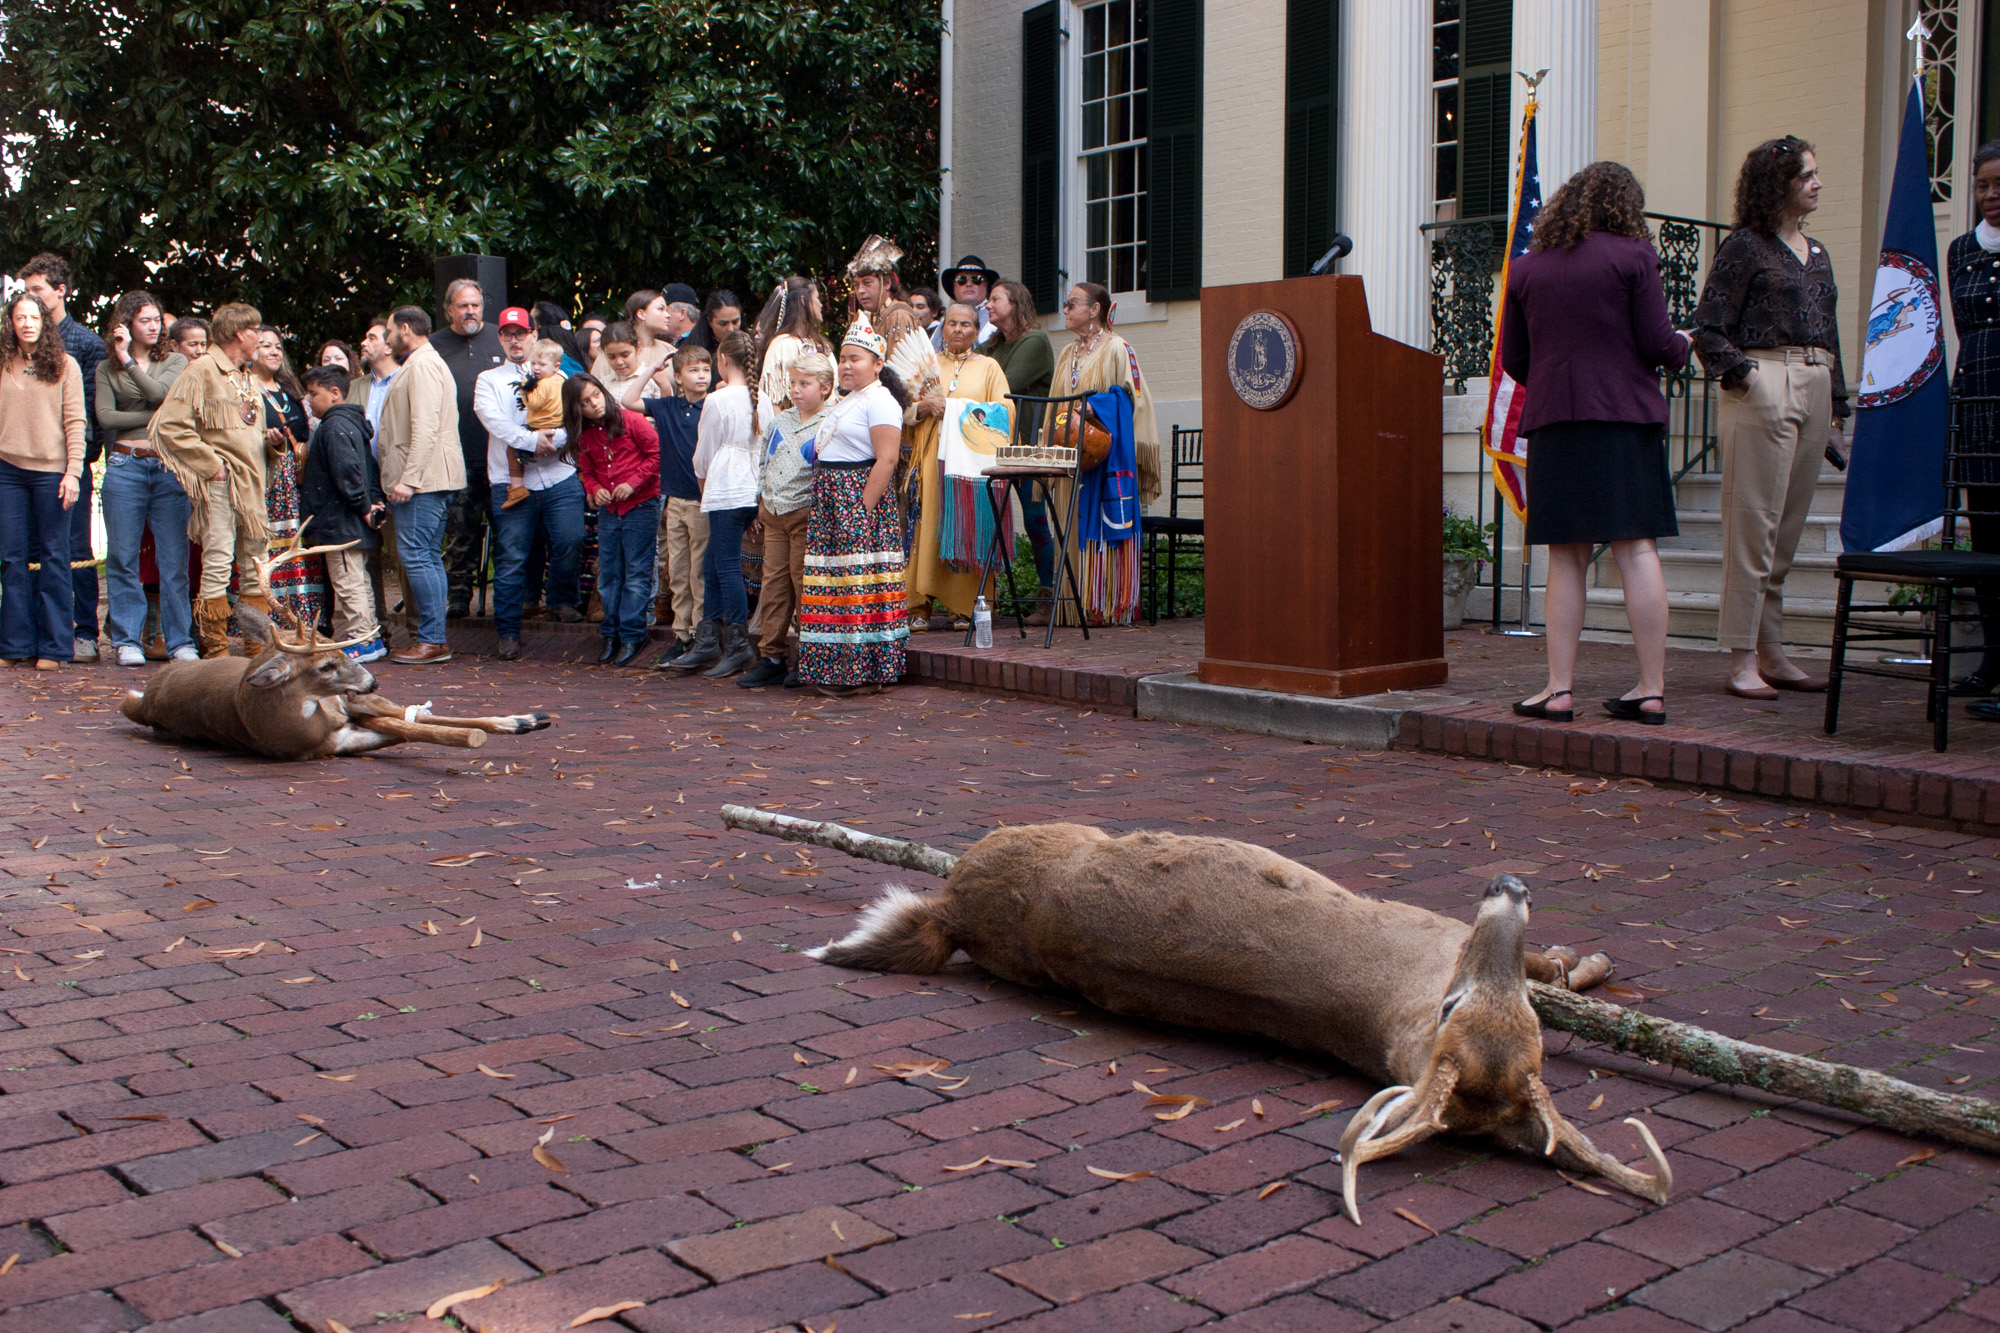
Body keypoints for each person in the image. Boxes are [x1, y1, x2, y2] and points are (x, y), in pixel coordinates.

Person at [1501, 161, 1690, 726]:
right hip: (1625, 418)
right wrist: (1684, 344)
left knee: (1566, 554)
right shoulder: (1635, 256)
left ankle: (1559, 690)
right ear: (1625, 205)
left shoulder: (1527, 270)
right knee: (1636, 549)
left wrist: (1562, 379)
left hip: (1556, 419)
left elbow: (1514, 358)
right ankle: (1650, 690)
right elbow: (1658, 342)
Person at [1693, 135, 1848, 699]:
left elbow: (1830, 330)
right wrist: (1747, 378)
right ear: (1776, 184)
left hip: (1817, 379)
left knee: (1786, 529)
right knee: (1752, 524)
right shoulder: (1745, 247)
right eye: (1806, 174)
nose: (1817, 182)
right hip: (1764, 380)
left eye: (1816, 172)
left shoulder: (1820, 252)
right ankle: (1740, 657)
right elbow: (1707, 326)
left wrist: (1838, 405)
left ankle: (1772, 649)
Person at [149, 302, 272, 658]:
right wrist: (211, 465)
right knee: (217, 562)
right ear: (240, 334)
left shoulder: (246, 374)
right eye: (256, 330)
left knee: (255, 565)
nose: (261, 337)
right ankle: (216, 651)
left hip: (252, 484)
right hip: (221, 484)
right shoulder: (201, 370)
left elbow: (251, 433)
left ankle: (254, 647)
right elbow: (168, 426)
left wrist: (272, 445)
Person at [796, 315, 909, 697]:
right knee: (835, 584)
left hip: (855, 495)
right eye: (842, 358)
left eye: (855, 358)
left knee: (857, 582)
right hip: (832, 496)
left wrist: (861, 510)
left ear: (877, 364)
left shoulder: (880, 400)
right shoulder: (851, 400)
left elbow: (887, 459)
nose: (846, 365)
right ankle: (835, 670)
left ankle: (862, 673)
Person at [1046, 281, 1161, 625]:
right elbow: (1055, 406)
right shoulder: (1067, 353)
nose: (1065, 310)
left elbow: (1131, 399)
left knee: (1100, 524)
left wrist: (1094, 407)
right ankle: (1072, 607)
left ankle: (1103, 605)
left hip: (1104, 458)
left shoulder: (1117, 348)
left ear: (1095, 309)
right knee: (1068, 528)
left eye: (1072, 304)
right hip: (1071, 456)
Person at [475, 312, 585, 661]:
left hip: (558, 473)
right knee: (511, 557)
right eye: (508, 334)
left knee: (570, 539)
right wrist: (530, 439)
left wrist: (557, 439)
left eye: (521, 333)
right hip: (510, 479)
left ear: (533, 334)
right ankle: (508, 631)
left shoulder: (562, 375)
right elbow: (493, 420)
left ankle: (562, 600)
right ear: (500, 339)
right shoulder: (488, 379)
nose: (515, 340)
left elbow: (576, 416)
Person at [97, 290, 196, 666]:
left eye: (157, 319)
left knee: (174, 560)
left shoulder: (175, 360)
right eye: (145, 320)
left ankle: (179, 641)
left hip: (167, 466)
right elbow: (106, 417)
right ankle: (127, 640)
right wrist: (153, 415)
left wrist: (129, 362)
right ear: (125, 324)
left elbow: (162, 395)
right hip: (125, 465)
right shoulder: (106, 368)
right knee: (121, 558)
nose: (154, 326)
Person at [19, 254, 105, 662]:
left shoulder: (85, 343)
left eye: (37, 290)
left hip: (69, 463)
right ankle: (37, 631)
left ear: (60, 291)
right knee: (30, 550)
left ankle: (84, 632)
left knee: (75, 549)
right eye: (26, 291)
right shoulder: (13, 348)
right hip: (21, 467)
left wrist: (74, 465)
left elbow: (87, 414)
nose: (30, 300)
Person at [906, 302, 1011, 623]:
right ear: (943, 328)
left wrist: (956, 409)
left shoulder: (989, 367)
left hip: (968, 465)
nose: (958, 330)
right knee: (928, 526)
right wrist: (924, 406)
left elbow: (1005, 413)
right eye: (952, 323)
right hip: (930, 461)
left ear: (976, 331)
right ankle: (918, 607)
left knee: (965, 527)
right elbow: (904, 412)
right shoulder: (927, 365)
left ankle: (966, 607)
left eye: (966, 324)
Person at [0, 291, 86, 669]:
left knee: (54, 557)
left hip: (52, 471)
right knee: (12, 558)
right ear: (11, 323)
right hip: (7, 471)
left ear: (44, 321)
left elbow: (76, 423)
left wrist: (73, 472)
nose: (27, 323)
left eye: (34, 317)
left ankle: (54, 648)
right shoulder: (2, 363)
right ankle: (15, 644)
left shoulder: (66, 365)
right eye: (20, 317)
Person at [668, 331, 762, 677]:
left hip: (726, 489)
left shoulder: (717, 401)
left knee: (724, 566)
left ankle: (737, 641)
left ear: (723, 360)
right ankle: (709, 637)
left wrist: (705, 489)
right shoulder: (760, 398)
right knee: (712, 563)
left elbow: (704, 455)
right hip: (749, 487)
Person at [376, 305, 465, 664]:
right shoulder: (421, 362)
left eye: (389, 330)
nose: (387, 338)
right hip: (427, 479)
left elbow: (426, 426)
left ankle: (432, 640)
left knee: (419, 556)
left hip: (424, 481)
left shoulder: (423, 364)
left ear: (405, 329)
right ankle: (433, 638)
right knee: (425, 557)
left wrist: (409, 479)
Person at [741, 351, 833, 688]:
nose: (796, 390)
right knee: (774, 583)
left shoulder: (831, 422)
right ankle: (772, 656)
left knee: (803, 581)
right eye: (793, 383)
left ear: (825, 388)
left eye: (804, 384)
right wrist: (759, 500)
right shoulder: (781, 421)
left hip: (805, 512)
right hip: (774, 512)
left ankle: (808, 656)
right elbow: (764, 460)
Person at [1947, 140, 2000, 706]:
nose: (1990, 196)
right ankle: (1991, 656)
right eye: (1983, 185)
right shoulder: (1961, 250)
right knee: (1984, 534)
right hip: (1977, 397)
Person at [296, 364, 388, 660]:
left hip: (340, 522)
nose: (309, 400)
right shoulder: (353, 424)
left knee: (347, 580)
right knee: (357, 579)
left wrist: (362, 504)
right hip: (349, 520)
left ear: (334, 393)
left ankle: (362, 638)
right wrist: (372, 501)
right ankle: (370, 635)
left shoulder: (333, 426)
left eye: (313, 394)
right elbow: (368, 468)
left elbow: (347, 471)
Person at [569, 374, 660, 666]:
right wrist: (595, 490)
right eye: (585, 402)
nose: (594, 404)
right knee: (609, 573)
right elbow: (588, 472)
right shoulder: (584, 436)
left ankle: (633, 632)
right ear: (576, 409)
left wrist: (633, 483)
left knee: (636, 571)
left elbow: (656, 454)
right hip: (609, 510)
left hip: (640, 504)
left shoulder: (631, 420)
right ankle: (611, 632)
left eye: (595, 395)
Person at [429, 279, 505, 619]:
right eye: (463, 306)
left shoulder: (499, 337)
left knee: (507, 533)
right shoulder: (434, 346)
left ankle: (506, 600)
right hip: (456, 457)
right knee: (460, 532)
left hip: (503, 458)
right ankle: (458, 596)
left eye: (475, 304)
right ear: (449, 310)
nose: (470, 311)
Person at [987, 281, 1059, 619]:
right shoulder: (994, 345)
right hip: (996, 443)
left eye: (995, 299)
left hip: (1031, 445)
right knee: (991, 519)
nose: (988, 304)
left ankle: (1047, 595)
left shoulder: (1036, 341)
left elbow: (1004, 386)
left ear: (1015, 303)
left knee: (1034, 519)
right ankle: (991, 596)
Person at [638, 344, 711, 665]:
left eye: (706, 369)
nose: (702, 376)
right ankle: (681, 634)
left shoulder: (713, 406)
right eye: (694, 370)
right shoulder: (667, 406)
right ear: (678, 377)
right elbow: (628, 401)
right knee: (678, 570)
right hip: (675, 500)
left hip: (701, 500)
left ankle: (700, 634)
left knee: (699, 571)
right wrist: (652, 370)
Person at [253, 327, 329, 636]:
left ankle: (307, 619)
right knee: (271, 550)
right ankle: (273, 621)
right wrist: (266, 441)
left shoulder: (290, 391)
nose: (274, 351)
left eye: (277, 346)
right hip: (267, 482)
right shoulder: (245, 389)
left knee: (300, 547)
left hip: (298, 483)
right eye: (264, 346)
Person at [499, 336, 567, 509]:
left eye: (542, 365)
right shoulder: (561, 380)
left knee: (513, 451)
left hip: (540, 426)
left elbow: (533, 403)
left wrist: (525, 388)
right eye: (534, 363)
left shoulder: (543, 384)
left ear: (556, 366)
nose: (536, 368)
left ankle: (516, 488)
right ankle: (580, 471)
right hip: (559, 424)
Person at [755, 277, 832, 415]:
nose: (820, 304)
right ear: (804, 300)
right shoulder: (782, 345)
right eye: (817, 298)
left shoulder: (820, 344)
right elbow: (773, 404)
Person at [934, 255, 1000, 350]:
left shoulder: (996, 318)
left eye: (976, 279)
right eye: (962, 280)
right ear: (954, 288)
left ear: (986, 286)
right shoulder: (943, 322)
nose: (969, 284)